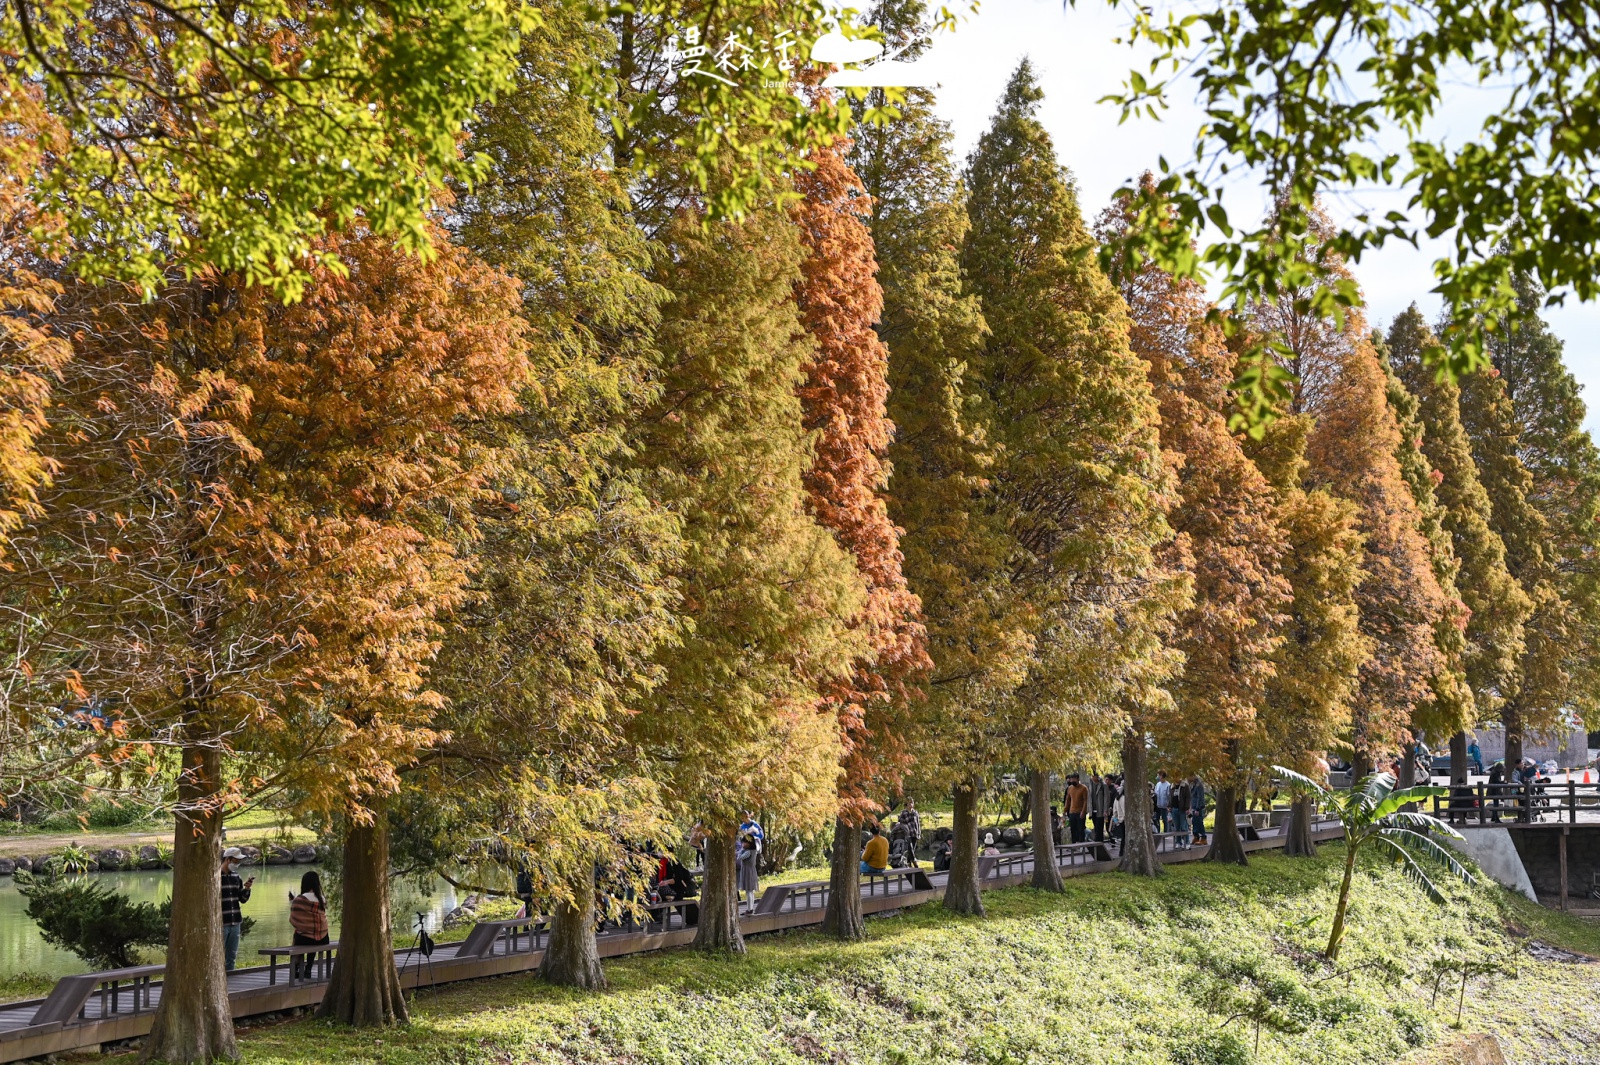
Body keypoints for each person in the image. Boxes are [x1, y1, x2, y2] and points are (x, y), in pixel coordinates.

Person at [288, 870, 329, 978]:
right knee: (314, 935)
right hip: (323, 938)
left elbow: (293, 919)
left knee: (299, 933)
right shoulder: (322, 899)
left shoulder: (299, 900)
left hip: (305, 939)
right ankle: (308, 968)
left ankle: (297, 967)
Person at [220, 847, 254, 972]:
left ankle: (230, 980)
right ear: (227, 859)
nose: (237, 864)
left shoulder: (236, 877)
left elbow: (242, 899)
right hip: (221, 923)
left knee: (231, 956)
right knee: (218, 955)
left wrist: (247, 889)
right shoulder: (215, 877)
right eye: (235, 861)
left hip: (235, 923)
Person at [736, 812, 763, 914]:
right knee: (748, 891)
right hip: (746, 868)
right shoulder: (742, 826)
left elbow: (760, 835)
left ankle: (750, 909)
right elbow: (739, 837)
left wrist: (752, 833)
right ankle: (749, 909)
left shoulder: (754, 825)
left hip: (749, 869)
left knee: (749, 891)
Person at [1065, 772, 1089, 843]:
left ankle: (1082, 844)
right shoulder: (1070, 788)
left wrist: (1083, 811)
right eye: (1071, 779)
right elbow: (1068, 800)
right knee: (1073, 829)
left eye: (1074, 779)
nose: (1072, 781)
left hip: (1080, 812)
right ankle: (1073, 844)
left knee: (1081, 829)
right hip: (1072, 811)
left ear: (1078, 779)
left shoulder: (1084, 788)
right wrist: (1065, 810)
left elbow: (1085, 800)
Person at [1088, 773, 1110, 842]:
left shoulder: (1103, 785)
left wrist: (1105, 810)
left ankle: (1099, 844)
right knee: (1096, 827)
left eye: (1094, 776)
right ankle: (1098, 844)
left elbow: (1106, 798)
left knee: (1099, 828)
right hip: (1093, 810)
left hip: (1100, 810)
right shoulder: (1090, 784)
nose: (1093, 777)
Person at [1188, 776, 1208, 845]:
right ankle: (1196, 836)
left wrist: (1197, 808)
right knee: (1194, 822)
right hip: (1193, 807)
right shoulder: (1193, 785)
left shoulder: (1198, 785)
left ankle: (1203, 837)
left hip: (1198, 808)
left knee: (1199, 822)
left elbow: (1200, 797)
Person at [1173, 778, 1192, 848]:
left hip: (1182, 809)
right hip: (1174, 808)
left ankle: (1187, 842)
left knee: (1184, 826)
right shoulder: (1172, 786)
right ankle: (1178, 842)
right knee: (1176, 827)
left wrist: (1187, 808)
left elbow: (1188, 797)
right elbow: (1170, 796)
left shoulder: (1185, 786)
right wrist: (1169, 805)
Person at [1110, 785, 1126, 854]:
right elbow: (1125, 811)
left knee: (1123, 837)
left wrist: (1116, 821)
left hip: (1119, 820)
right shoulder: (1124, 799)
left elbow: (1114, 812)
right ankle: (1122, 851)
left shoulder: (1116, 799)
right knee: (1125, 837)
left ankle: (1121, 851)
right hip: (1124, 820)